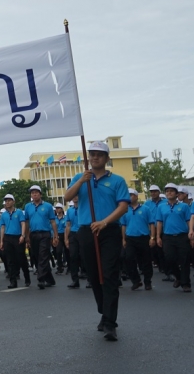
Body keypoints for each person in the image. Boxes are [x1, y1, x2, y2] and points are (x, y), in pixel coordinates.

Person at [64, 141, 129, 341]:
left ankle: (110, 322)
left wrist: (104, 222)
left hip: (109, 231)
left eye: (99, 154)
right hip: (86, 231)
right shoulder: (80, 177)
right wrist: (81, 181)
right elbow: (67, 197)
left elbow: (123, 206)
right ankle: (104, 310)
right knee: (94, 276)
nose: (95, 157)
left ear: (107, 158)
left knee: (109, 275)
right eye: (91, 154)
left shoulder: (117, 180)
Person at [155, 183, 193, 292]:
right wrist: (158, 237)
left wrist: (191, 233)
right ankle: (179, 277)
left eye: (172, 191)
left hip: (182, 236)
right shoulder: (161, 207)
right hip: (168, 237)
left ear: (176, 194)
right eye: (167, 191)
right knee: (169, 258)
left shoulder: (184, 206)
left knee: (184, 260)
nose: (169, 193)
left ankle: (186, 284)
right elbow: (159, 222)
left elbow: (188, 220)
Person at [120, 188, 154, 291]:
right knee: (128, 259)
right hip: (130, 238)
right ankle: (136, 280)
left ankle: (147, 282)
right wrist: (123, 239)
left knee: (146, 261)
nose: (130, 197)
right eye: (128, 195)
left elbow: (151, 223)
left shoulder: (146, 209)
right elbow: (123, 225)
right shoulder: (125, 210)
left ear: (136, 196)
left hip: (143, 238)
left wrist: (152, 237)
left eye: (131, 195)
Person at [24, 185, 58, 290]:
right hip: (33, 234)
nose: (34, 194)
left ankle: (41, 279)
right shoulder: (28, 206)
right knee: (38, 257)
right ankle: (50, 279)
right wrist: (27, 236)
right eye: (32, 193)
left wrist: (55, 235)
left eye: (36, 192)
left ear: (40, 194)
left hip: (45, 234)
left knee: (43, 256)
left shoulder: (47, 206)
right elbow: (27, 222)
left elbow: (52, 221)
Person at [0, 194, 30, 288]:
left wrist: (23, 235)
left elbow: (23, 224)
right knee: (10, 260)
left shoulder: (19, 212)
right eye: (6, 201)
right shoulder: (3, 215)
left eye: (9, 200)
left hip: (18, 237)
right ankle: (13, 281)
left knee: (21, 258)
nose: (7, 202)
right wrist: (1, 241)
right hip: (8, 238)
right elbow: (2, 228)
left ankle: (27, 278)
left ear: (13, 201)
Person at [145, 184, 167, 277]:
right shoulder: (147, 203)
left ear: (159, 192)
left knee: (163, 249)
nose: (153, 193)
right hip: (152, 228)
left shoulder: (165, 202)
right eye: (151, 192)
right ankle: (159, 264)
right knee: (154, 249)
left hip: (164, 228)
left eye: (155, 191)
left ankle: (165, 267)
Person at [64, 196, 84, 289]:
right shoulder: (69, 210)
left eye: (77, 195)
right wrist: (66, 239)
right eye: (74, 196)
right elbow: (68, 225)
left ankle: (90, 280)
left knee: (85, 256)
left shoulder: (84, 208)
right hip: (73, 234)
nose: (75, 197)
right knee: (73, 257)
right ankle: (75, 280)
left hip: (83, 232)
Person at [54, 203, 67, 275]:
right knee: (58, 251)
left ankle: (70, 267)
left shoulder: (65, 218)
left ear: (62, 209)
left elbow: (66, 227)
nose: (57, 209)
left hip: (65, 234)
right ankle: (60, 267)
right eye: (56, 208)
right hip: (58, 235)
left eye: (58, 208)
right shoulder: (54, 219)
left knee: (67, 252)